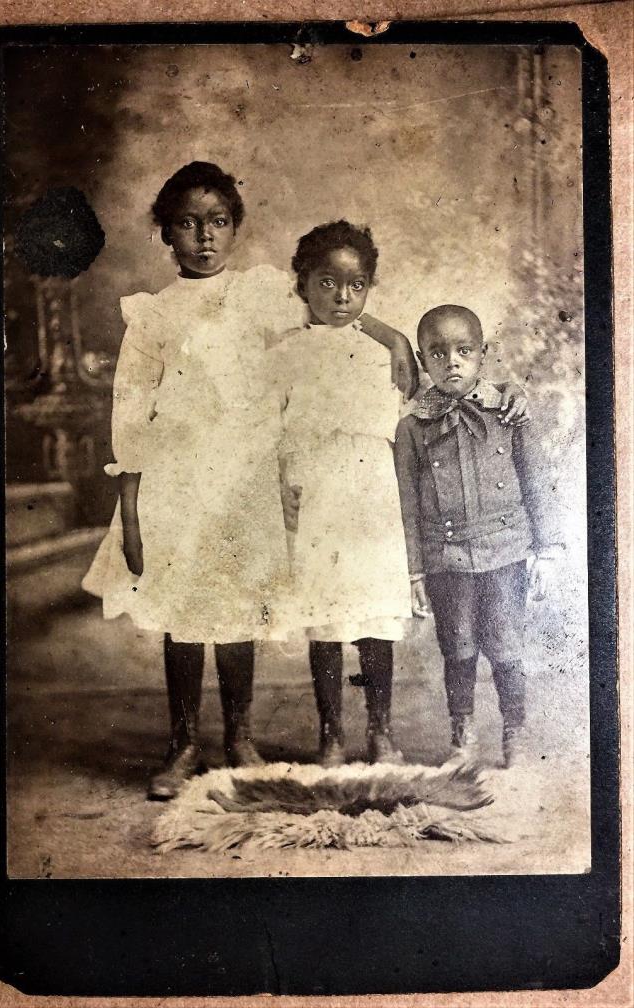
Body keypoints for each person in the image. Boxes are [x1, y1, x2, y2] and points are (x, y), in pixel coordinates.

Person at [83, 164, 409, 799]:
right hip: (176, 481)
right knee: (182, 613)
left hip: (242, 477)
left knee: (235, 608)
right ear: (165, 235)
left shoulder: (261, 294)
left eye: (218, 222)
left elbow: (330, 307)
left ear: (235, 228)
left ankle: (237, 735)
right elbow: (130, 411)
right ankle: (181, 744)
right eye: (187, 223)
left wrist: (389, 331)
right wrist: (130, 508)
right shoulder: (152, 315)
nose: (204, 236)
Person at [272, 221, 420, 768]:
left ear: (369, 289)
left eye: (356, 286)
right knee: (329, 619)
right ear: (302, 284)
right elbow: (270, 427)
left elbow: (416, 401)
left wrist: (391, 334)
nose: (342, 297)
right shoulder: (284, 352)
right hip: (318, 494)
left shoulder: (385, 352)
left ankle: (380, 730)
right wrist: (278, 483)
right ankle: (331, 733)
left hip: (371, 498)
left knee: (375, 618)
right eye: (327, 282)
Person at [394, 304, 561, 768]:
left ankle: (515, 731)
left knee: (506, 647)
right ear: (423, 361)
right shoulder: (412, 427)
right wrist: (413, 572)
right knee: (459, 648)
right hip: (447, 559)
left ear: (483, 354)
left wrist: (546, 551)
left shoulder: (509, 411)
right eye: (438, 353)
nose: (452, 362)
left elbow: (536, 480)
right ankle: (461, 736)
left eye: (464, 351)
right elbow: (407, 505)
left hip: (506, 553)